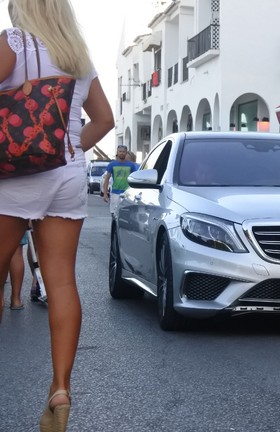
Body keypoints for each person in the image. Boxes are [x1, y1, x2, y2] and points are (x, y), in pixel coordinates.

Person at [0, 1, 114, 431]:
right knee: (61, 280)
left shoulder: (13, 43)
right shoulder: (77, 56)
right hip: (66, 174)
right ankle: (60, 390)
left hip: (14, 175)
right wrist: (67, 148)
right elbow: (104, 119)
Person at [103, 145, 138, 214]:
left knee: (127, 213)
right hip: (115, 193)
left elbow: (135, 178)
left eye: (123, 152)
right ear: (117, 152)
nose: (122, 153)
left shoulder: (131, 165)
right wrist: (105, 193)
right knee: (114, 213)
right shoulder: (112, 164)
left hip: (127, 193)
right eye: (120, 151)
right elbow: (107, 179)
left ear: (126, 153)